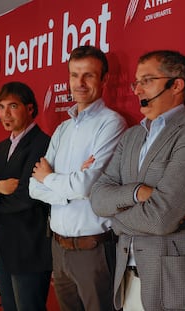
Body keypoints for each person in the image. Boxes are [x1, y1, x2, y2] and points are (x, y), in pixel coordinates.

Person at [90, 50, 185, 311]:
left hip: (177, 286)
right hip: (127, 281)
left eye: (147, 80)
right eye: (136, 82)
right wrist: (138, 193)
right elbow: (96, 197)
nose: (137, 89)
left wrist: (115, 220)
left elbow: (161, 218)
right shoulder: (131, 137)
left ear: (177, 84)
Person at [29, 45, 127, 311]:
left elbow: (87, 186)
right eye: (74, 75)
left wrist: (53, 178)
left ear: (104, 80)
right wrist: (67, 182)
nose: (80, 83)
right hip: (59, 249)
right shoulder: (63, 128)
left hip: (93, 250)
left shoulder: (111, 123)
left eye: (89, 75)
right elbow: (33, 187)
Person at [0, 81, 52, 311]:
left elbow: (27, 197)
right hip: (1, 248)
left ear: (30, 108)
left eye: (12, 106)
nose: (5, 114)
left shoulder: (43, 144)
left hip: (28, 249)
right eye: (1, 107)